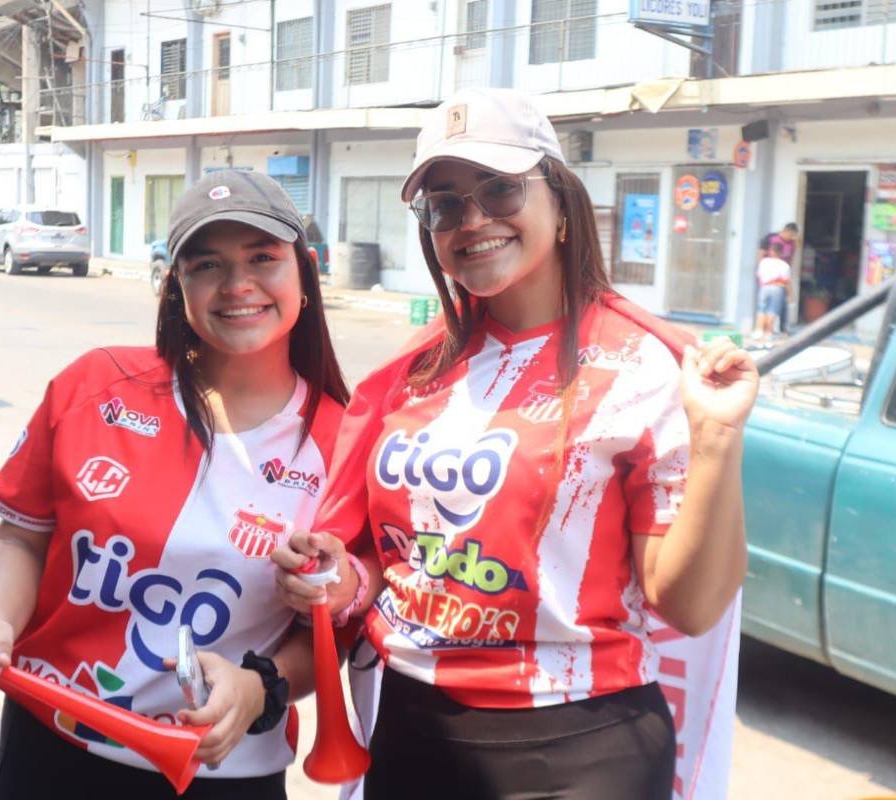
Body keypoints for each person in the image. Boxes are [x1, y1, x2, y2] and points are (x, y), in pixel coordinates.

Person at [272, 89, 757, 799]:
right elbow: (388, 559)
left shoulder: (646, 368)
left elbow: (689, 605)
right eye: (445, 205)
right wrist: (339, 579)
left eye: (499, 190)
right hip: (413, 728)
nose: (472, 221)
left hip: (582, 744)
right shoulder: (409, 374)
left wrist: (716, 441)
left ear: (561, 205)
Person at [0, 170, 350, 800]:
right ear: (174, 284)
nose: (237, 286)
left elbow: (331, 630)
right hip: (51, 745)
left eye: (262, 258)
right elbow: (20, 539)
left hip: (223, 771)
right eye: (206, 264)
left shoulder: (348, 441)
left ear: (304, 273)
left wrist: (258, 687)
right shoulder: (92, 385)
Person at [756, 222, 798, 332]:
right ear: (787, 230)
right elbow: (761, 253)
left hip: (779, 280)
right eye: (791, 234)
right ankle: (766, 331)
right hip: (770, 280)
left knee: (779, 306)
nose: (791, 237)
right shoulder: (771, 238)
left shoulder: (792, 244)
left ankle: (781, 329)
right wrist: (763, 272)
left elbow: (791, 258)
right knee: (770, 309)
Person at [753, 240, 792, 340]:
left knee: (761, 309)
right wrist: (790, 294)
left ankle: (758, 331)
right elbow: (786, 281)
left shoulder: (764, 262)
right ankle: (768, 333)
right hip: (777, 287)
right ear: (781, 252)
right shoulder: (784, 265)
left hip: (764, 287)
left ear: (771, 251)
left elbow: (759, 276)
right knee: (772, 310)